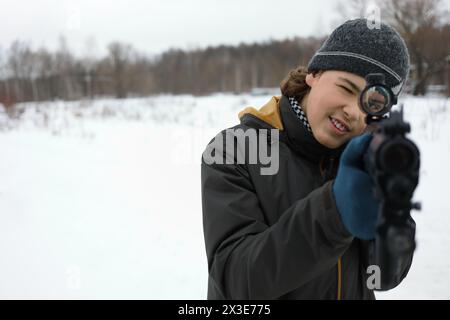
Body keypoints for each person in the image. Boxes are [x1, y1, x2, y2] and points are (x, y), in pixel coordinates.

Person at [201, 18, 414, 300]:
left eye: (371, 103)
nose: (353, 111)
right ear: (314, 73)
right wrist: (333, 212)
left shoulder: (369, 160)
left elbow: (384, 277)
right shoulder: (235, 149)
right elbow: (236, 282)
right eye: (347, 88)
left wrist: (391, 211)